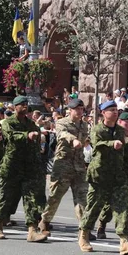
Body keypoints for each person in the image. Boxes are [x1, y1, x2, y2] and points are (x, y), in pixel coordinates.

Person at [77, 100, 128, 255]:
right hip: (100, 174)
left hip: (117, 174)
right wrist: (112, 143)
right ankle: (84, 234)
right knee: (95, 206)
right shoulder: (97, 129)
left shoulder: (119, 129)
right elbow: (97, 144)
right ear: (103, 113)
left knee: (122, 206)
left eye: (116, 110)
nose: (115, 112)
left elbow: (123, 143)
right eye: (111, 110)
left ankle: (124, 240)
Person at [0, 96, 47, 242]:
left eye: (26, 104)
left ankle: (32, 230)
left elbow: (37, 147)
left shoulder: (32, 124)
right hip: (11, 167)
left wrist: (38, 167)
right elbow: (10, 136)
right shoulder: (7, 123)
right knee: (6, 198)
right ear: (15, 107)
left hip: (28, 167)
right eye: (21, 104)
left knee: (30, 199)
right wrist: (27, 136)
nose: (24, 106)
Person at [39, 98, 89, 236]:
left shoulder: (84, 125)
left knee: (82, 197)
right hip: (62, 165)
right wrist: (73, 140)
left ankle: (84, 228)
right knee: (55, 195)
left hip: (78, 165)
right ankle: (45, 220)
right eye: (76, 109)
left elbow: (86, 140)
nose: (79, 111)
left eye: (81, 109)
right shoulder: (62, 122)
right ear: (70, 110)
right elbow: (62, 134)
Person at [97, 112, 128, 240]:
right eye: (125, 123)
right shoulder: (117, 135)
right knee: (111, 204)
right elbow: (115, 145)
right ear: (119, 123)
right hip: (118, 174)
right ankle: (102, 224)